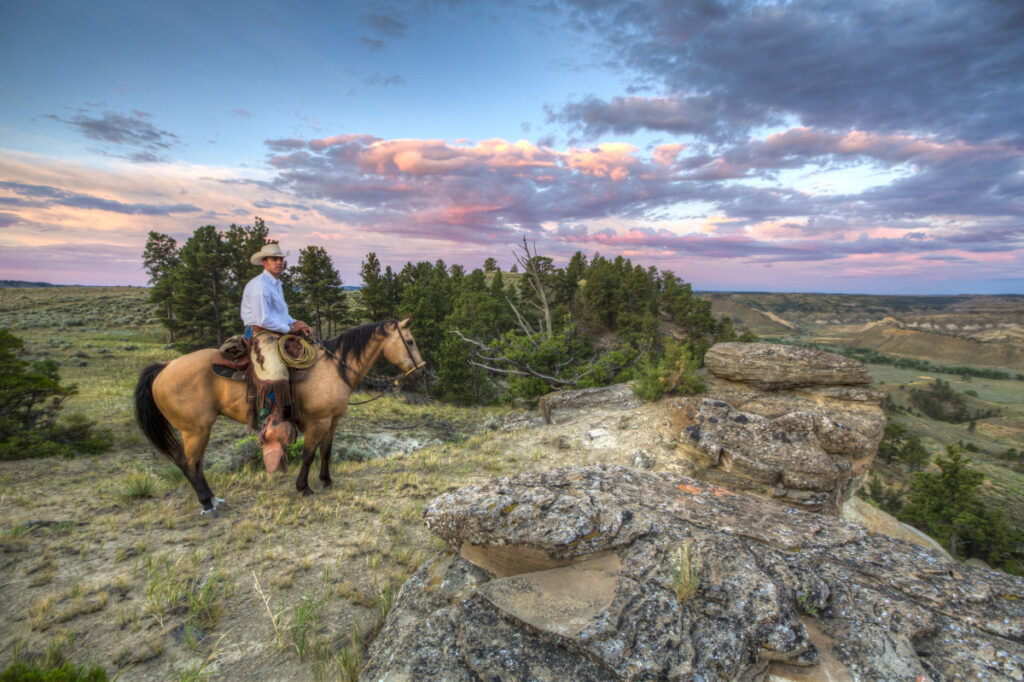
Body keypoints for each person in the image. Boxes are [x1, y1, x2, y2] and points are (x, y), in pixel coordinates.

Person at [240, 241, 312, 439]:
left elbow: (281, 314)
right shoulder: (259, 286)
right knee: (275, 370)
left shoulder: (277, 284)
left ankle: (297, 410)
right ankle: (268, 421)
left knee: (307, 354)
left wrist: (296, 323)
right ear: (265, 263)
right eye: (274, 259)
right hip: (259, 333)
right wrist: (289, 328)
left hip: (275, 330)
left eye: (281, 259)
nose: (279, 262)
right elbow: (263, 319)